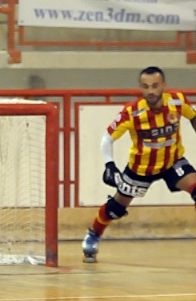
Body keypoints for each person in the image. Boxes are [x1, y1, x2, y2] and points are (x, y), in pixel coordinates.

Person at [82, 66, 196, 263]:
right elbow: (107, 138)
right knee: (115, 209)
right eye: (145, 87)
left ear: (164, 85)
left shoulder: (177, 100)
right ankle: (94, 234)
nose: (151, 91)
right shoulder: (132, 112)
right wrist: (110, 165)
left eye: (155, 86)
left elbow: (193, 117)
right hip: (141, 169)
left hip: (172, 162)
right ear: (140, 88)